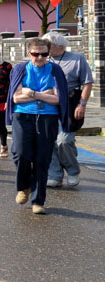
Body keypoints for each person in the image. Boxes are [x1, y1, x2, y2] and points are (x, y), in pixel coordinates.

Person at [7, 36, 71, 214]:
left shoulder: (55, 70)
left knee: (42, 159)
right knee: (21, 154)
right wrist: (44, 94)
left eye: (44, 54)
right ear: (29, 53)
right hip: (23, 115)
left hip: (47, 118)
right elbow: (16, 97)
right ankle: (24, 186)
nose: (40, 58)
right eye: (36, 54)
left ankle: (38, 201)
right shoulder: (20, 68)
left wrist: (32, 92)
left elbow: (58, 99)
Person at [43, 32, 93, 189]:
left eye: (48, 45)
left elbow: (88, 83)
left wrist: (82, 104)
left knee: (64, 140)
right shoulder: (43, 60)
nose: (45, 49)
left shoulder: (77, 59)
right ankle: (55, 175)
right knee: (49, 140)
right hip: (48, 103)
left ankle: (72, 171)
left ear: (60, 46)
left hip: (70, 104)